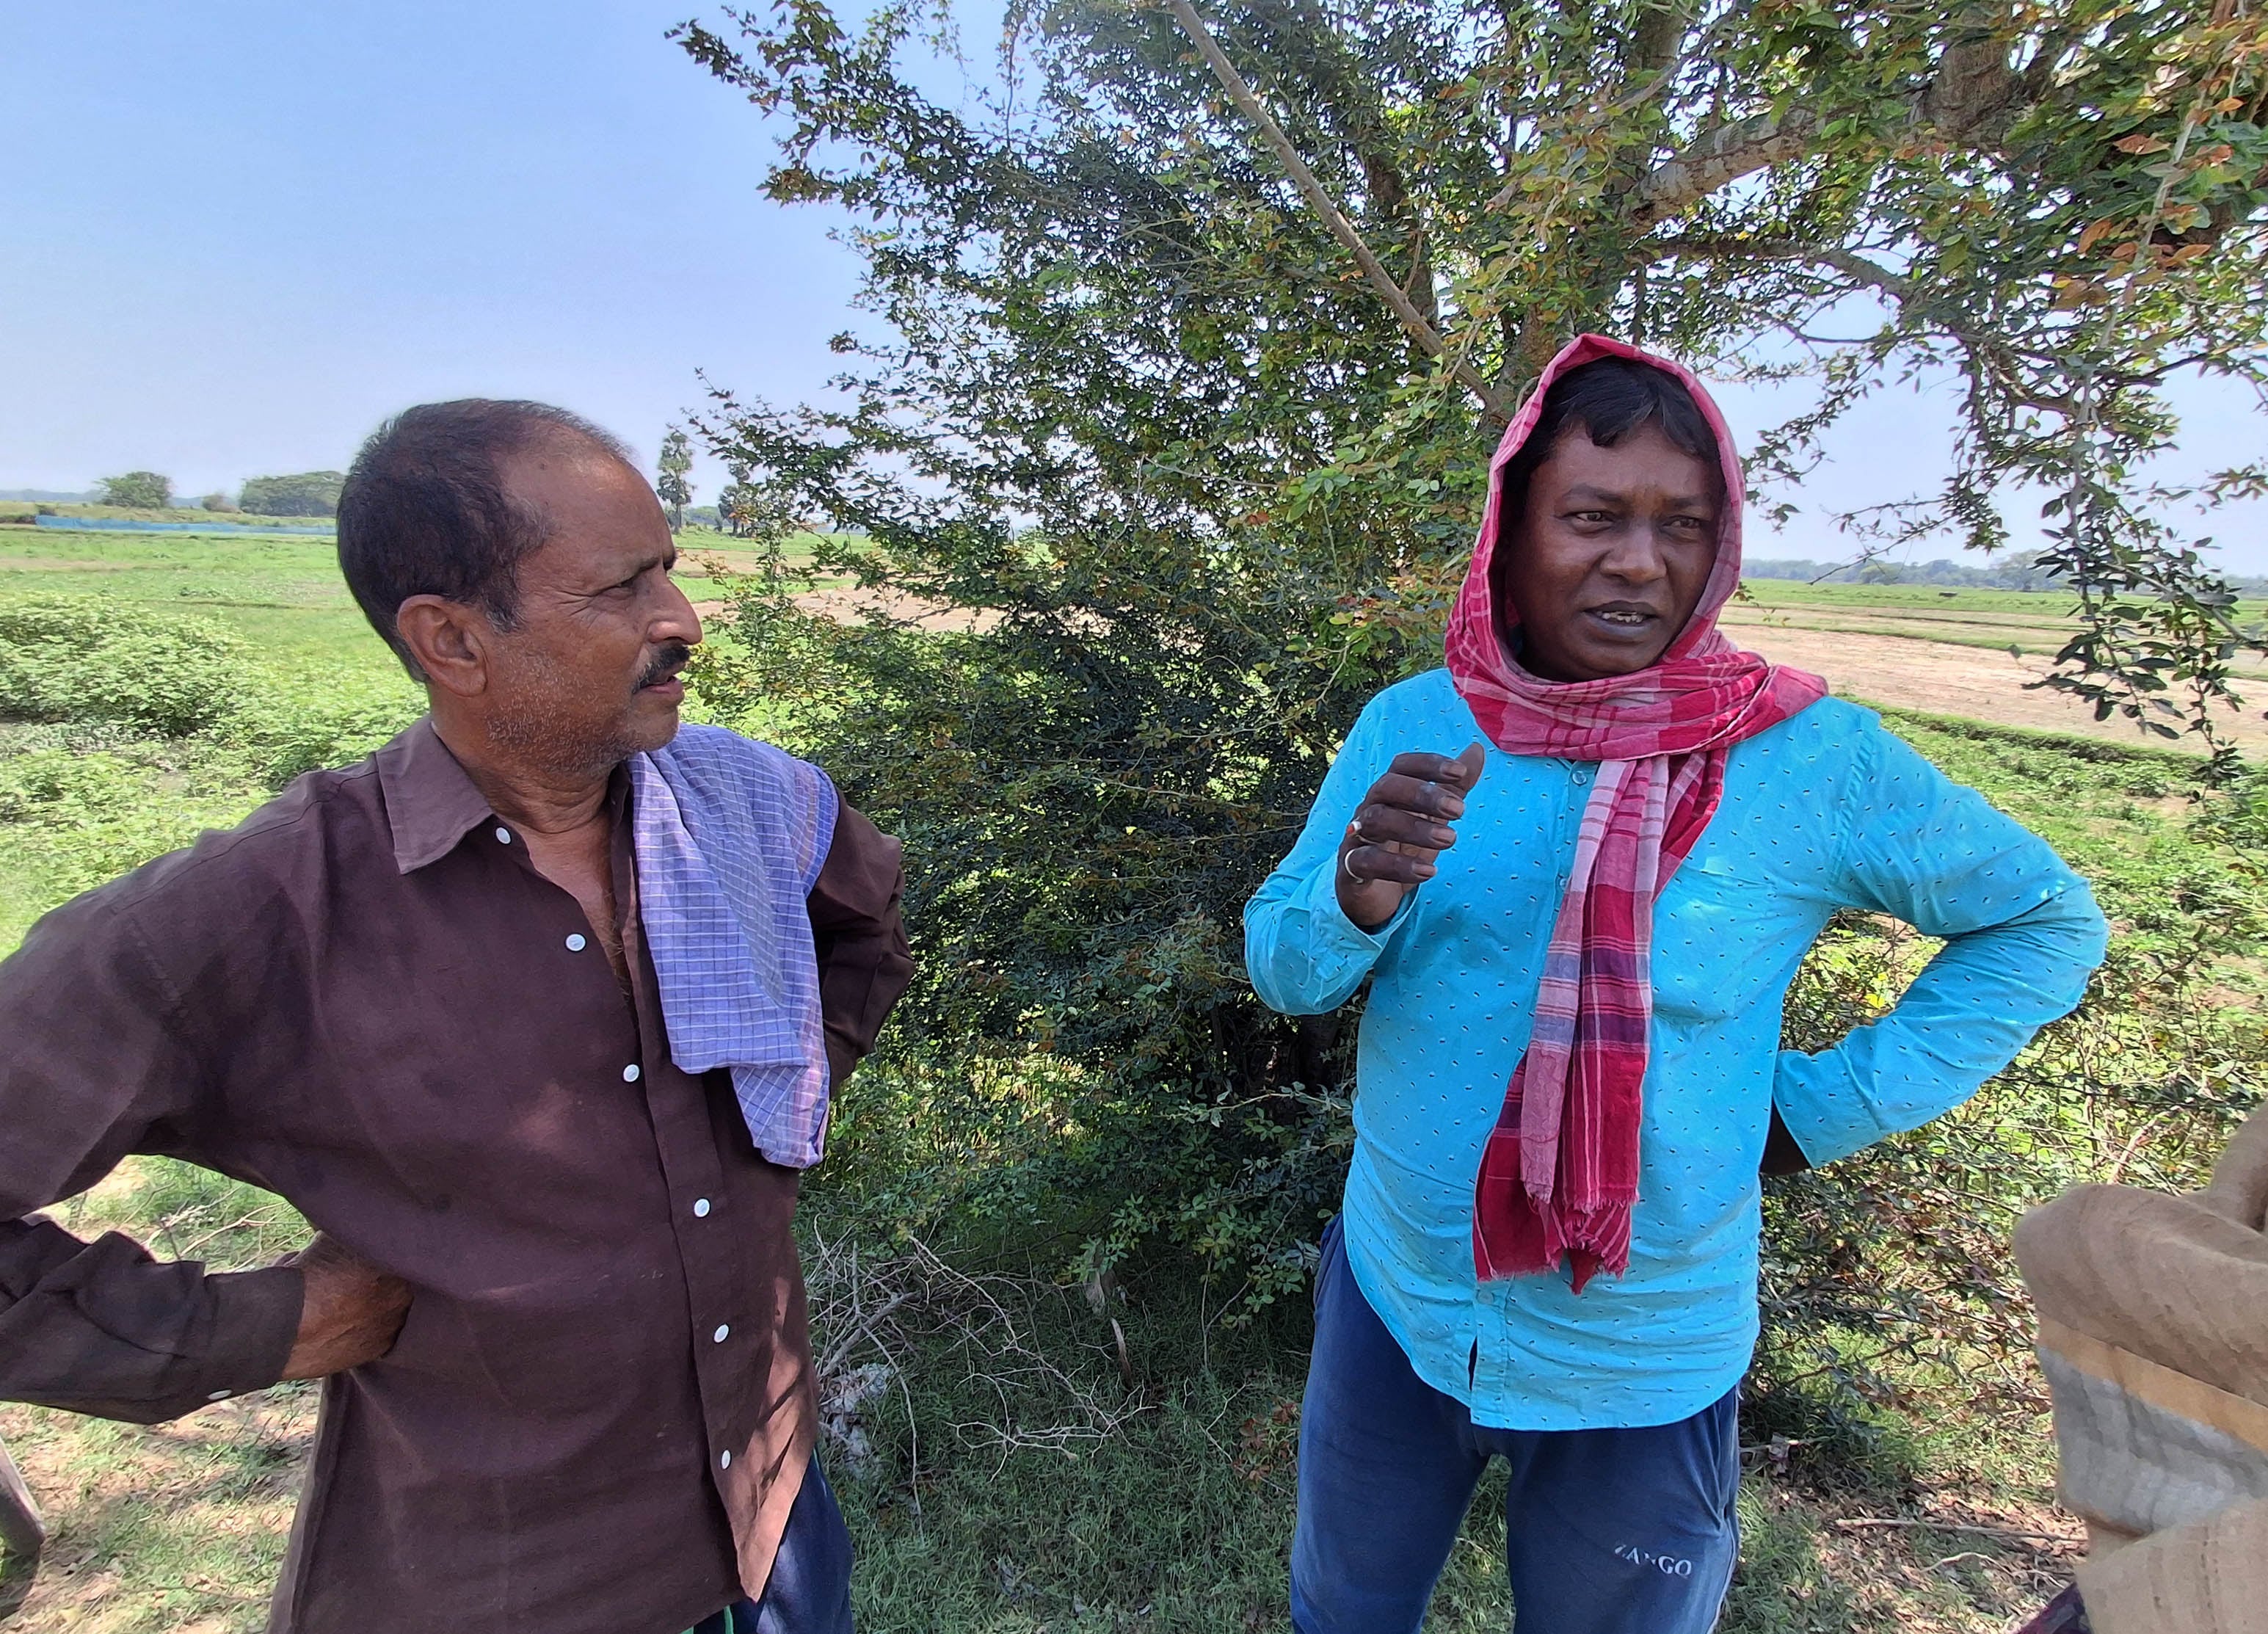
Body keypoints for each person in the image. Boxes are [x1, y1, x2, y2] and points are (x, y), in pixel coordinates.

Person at [1243, 334, 2109, 1634]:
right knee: (1341, 1614)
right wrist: (1354, 895)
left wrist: (1814, 1110)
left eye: (1681, 526)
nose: (1638, 561)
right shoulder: (1414, 721)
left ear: (1721, 550)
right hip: (1398, 1291)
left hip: (1642, 1341)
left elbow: (2045, 921)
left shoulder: (1806, 758)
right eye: (1591, 516)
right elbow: (1287, 970)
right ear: (1509, 535)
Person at [0, 401, 913, 1634]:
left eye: (672, 571)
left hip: (773, 1526)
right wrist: (255, 1324)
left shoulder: (741, 810)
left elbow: (865, 933)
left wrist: (771, 1110)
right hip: (507, 1574)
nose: (682, 622)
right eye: (617, 587)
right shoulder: (262, 909)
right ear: (451, 638)